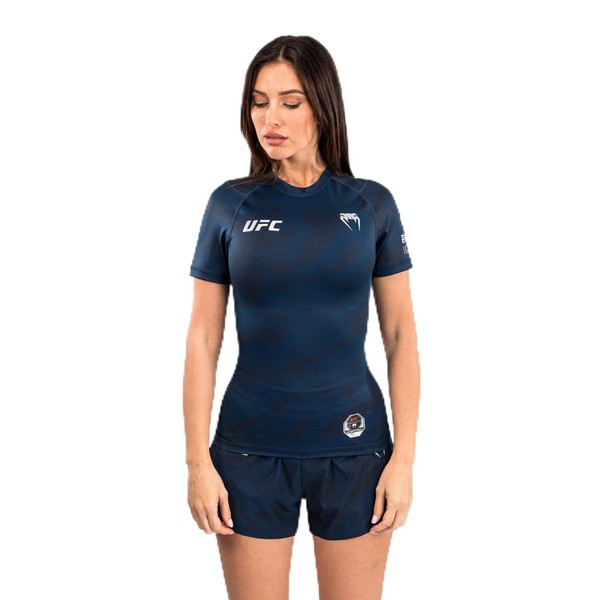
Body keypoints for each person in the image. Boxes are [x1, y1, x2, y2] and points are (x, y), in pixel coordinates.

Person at [183, 35, 420, 600]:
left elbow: (400, 335)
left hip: (355, 448)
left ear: (323, 105)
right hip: (249, 449)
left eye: (290, 102)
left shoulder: (371, 204)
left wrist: (404, 461)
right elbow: (203, 338)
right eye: (259, 102)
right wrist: (197, 464)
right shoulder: (230, 204)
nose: (271, 118)